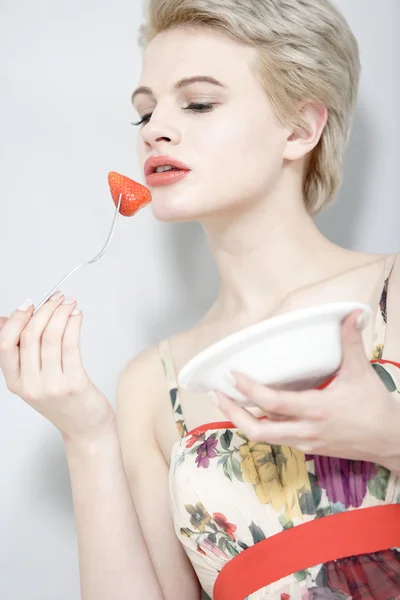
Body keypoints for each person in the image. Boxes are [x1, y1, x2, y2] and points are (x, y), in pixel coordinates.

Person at [1, 0, 399, 598]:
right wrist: (85, 435)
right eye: (145, 112)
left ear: (300, 129)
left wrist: (386, 433)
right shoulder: (150, 384)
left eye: (199, 103)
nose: (157, 127)